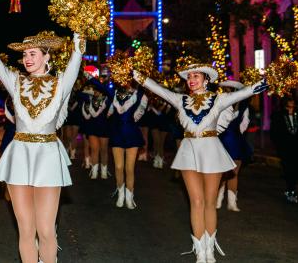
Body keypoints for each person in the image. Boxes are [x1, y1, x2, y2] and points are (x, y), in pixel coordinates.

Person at [133, 64, 266, 263]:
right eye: (189, 77)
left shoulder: (219, 99)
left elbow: (246, 92)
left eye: (196, 76)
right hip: (188, 152)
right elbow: (158, 89)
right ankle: (200, 251)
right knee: (196, 202)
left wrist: (268, 80)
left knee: (209, 203)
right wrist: (139, 76)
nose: (192, 79)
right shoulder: (180, 100)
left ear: (206, 80)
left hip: (211, 151)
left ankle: (210, 249)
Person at [0, 26, 83, 263]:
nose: (27, 59)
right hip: (19, 156)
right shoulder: (15, 81)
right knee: (25, 231)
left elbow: (76, 58)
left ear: (47, 56)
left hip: (48, 156)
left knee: (45, 230)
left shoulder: (61, 83)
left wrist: (79, 31)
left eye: (33, 53)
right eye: (24, 55)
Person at [107, 82, 147, 209]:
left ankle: (129, 196)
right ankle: (120, 194)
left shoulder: (140, 95)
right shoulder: (115, 94)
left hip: (132, 135)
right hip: (117, 134)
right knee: (118, 167)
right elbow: (101, 87)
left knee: (129, 168)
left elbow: (139, 113)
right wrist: (87, 75)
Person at [216, 81, 252, 212]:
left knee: (234, 172)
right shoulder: (220, 104)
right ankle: (218, 199)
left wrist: (237, 132)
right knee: (222, 171)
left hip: (236, 142)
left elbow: (245, 123)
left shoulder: (243, 107)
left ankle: (232, 202)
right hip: (222, 140)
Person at [271, 97, 298, 204]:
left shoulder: (296, 115)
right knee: (288, 169)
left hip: (296, 147)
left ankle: (292, 189)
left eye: (293, 102)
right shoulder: (279, 115)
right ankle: (290, 190)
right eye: (290, 102)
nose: (292, 104)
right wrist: (279, 146)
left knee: (295, 169)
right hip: (285, 148)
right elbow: (275, 133)